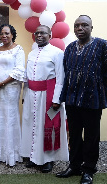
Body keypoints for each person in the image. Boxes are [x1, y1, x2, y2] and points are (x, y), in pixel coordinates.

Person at [56, 15, 107, 184]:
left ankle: (89, 170)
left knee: (92, 135)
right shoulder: (70, 48)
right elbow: (66, 71)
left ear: (92, 27)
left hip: (92, 98)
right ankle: (74, 166)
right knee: (75, 134)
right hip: (72, 98)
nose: (80, 28)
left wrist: (93, 82)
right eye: (77, 25)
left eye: (84, 25)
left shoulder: (102, 45)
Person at [21, 25, 69, 173]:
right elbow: (27, 77)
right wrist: (24, 95)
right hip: (31, 94)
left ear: (50, 35)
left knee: (47, 127)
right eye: (37, 33)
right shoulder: (32, 53)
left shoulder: (57, 53)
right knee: (31, 125)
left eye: (43, 33)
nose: (39, 35)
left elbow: (61, 78)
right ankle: (33, 157)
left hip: (48, 95)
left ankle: (48, 160)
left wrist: (57, 99)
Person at [0, 24, 26, 166]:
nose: (4, 36)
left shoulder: (18, 50)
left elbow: (19, 70)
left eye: (7, 33)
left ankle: (11, 154)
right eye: (2, 34)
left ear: (12, 34)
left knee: (10, 117)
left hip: (10, 88)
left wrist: (2, 83)